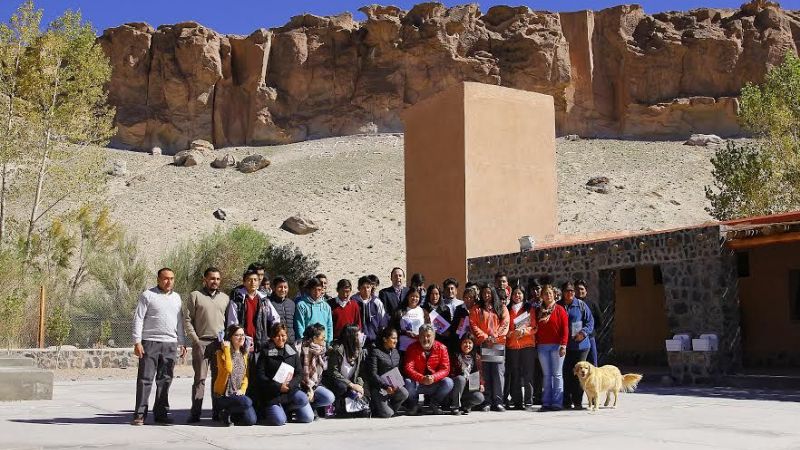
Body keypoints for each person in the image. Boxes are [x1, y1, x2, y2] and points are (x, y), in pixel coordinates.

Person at [131, 268, 187, 425]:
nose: (169, 282)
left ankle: (161, 413)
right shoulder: (148, 295)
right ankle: (140, 414)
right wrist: (137, 341)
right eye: (165, 278)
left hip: (170, 343)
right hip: (150, 342)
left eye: (172, 278)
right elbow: (139, 318)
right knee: (145, 379)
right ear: (158, 279)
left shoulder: (177, 298)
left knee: (165, 379)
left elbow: (179, 322)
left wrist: (181, 342)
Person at [184, 267, 229, 423]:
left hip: (219, 344)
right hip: (201, 342)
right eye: (211, 278)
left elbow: (229, 322)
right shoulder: (195, 296)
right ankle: (195, 413)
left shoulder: (225, 298)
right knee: (200, 379)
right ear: (204, 279)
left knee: (219, 379)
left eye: (217, 279)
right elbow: (188, 320)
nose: (214, 281)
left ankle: (217, 413)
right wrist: (195, 339)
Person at [254, 323, 313, 425]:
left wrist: (290, 385)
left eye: (283, 335)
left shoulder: (292, 349)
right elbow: (260, 376)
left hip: (290, 390)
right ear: (272, 336)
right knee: (280, 421)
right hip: (273, 394)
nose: (280, 338)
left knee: (308, 417)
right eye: (277, 336)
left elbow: (299, 373)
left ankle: (288, 409)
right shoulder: (266, 351)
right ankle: (276, 411)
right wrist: (278, 386)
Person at [469, 285, 509, 412]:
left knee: (497, 373)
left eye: (489, 293)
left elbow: (505, 323)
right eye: (484, 293)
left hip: (497, 343)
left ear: (493, 294)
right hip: (484, 343)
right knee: (485, 373)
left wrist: (495, 336)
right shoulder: (477, 309)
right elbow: (473, 324)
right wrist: (486, 337)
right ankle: (487, 401)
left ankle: (498, 401)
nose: (486, 295)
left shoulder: (501, 308)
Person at [558, 281, 595, 410]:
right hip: (564, 347)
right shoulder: (558, 306)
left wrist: (583, 333)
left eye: (572, 291)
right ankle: (566, 401)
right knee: (567, 374)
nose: (570, 293)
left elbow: (590, 322)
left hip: (581, 346)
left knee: (580, 375)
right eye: (567, 291)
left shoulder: (581, 305)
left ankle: (578, 401)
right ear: (562, 292)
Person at [403, 324, 453, 415]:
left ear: (434, 336)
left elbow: (445, 369)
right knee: (407, 382)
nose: (425, 339)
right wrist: (422, 378)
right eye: (423, 336)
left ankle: (435, 404)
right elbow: (408, 368)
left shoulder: (442, 348)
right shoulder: (412, 348)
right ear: (419, 336)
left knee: (449, 382)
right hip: (418, 382)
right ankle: (414, 405)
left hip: (434, 382)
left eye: (428, 336)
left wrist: (433, 377)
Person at [226, 269, 280, 353]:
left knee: (262, 365)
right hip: (242, 343)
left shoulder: (264, 300)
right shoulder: (237, 300)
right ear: (244, 282)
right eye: (249, 280)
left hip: (261, 343)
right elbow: (232, 324)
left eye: (255, 280)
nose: (253, 282)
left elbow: (275, 318)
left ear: (259, 282)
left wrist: (272, 336)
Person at [213, 324, 257, 426]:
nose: (241, 337)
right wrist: (227, 350)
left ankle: (231, 414)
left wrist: (242, 389)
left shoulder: (244, 354)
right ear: (230, 337)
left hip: (238, 394)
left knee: (251, 420)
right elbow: (228, 369)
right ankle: (226, 412)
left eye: (242, 335)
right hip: (224, 394)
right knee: (247, 402)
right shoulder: (221, 353)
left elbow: (246, 376)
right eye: (237, 335)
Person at [535, 284, 569, 412]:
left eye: (550, 293)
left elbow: (565, 329)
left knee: (557, 375)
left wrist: (563, 345)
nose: (548, 295)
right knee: (547, 375)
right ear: (542, 296)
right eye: (545, 294)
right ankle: (547, 402)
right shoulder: (539, 311)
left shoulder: (560, 310)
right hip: (542, 347)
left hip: (557, 346)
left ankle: (557, 402)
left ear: (554, 294)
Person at [322, 325, 368, 416]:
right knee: (341, 386)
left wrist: (359, 385)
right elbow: (333, 372)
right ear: (352, 337)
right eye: (358, 335)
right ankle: (334, 406)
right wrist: (351, 385)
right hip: (336, 383)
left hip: (351, 384)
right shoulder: (337, 350)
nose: (362, 336)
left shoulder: (360, 351)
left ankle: (347, 407)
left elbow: (361, 373)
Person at [364, 327, 409, 418]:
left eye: (396, 338)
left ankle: (388, 408)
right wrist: (385, 386)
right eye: (393, 338)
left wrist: (397, 384)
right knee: (387, 414)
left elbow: (397, 371)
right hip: (379, 388)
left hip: (393, 387)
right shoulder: (375, 352)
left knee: (404, 393)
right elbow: (373, 374)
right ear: (385, 339)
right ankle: (380, 408)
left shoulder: (396, 353)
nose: (396, 341)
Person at [505, 286, 537, 411]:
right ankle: (518, 401)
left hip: (527, 345)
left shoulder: (529, 308)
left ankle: (528, 401)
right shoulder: (507, 309)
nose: (517, 296)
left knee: (528, 374)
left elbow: (534, 327)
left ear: (523, 295)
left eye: (519, 293)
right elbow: (505, 326)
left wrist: (524, 331)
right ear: (511, 296)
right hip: (512, 346)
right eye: (515, 294)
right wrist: (509, 333)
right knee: (515, 374)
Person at [299, 323, 336, 416]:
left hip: (314, 384)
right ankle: (295, 407)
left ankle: (311, 405)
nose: (325, 339)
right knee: (307, 418)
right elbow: (298, 374)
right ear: (314, 338)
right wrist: (308, 388)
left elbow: (321, 371)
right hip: (300, 386)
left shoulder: (321, 350)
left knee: (329, 398)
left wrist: (312, 388)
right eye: (322, 337)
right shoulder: (300, 349)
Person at [449, 333, 485, 415]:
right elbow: (451, 373)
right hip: (456, 387)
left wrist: (481, 384)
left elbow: (479, 373)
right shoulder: (455, 356)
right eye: (465, 342)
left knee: (479, 397)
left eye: (470, 343)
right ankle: (455, 406)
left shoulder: (476, 357)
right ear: (461, 343)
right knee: (461, 379)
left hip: (469, 387)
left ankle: (466, 406)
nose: (467, 345)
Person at [294, 277, 334, 344]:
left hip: (323, 343)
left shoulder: (326, 306)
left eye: (319, 289)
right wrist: (303, 342)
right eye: (314, 289)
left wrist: (329, 342)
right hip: (308, 343)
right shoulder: (302, 305)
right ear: (309, 290)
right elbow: (299, 325)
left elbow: (329, 325)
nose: (317, 292)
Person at [353, 275, 387, 348]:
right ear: (359, 289)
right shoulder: (353, 302)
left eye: (368, 287)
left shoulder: (377, 302)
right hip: (357, 341)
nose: (366, 290)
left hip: (374, 341)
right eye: (363, 288)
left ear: (371, 288)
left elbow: (383, 322)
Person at [575, 279, 602, 366]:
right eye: (577, 289)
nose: (580, 291)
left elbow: (599, 321)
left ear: (586, 291)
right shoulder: (571, 305)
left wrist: (591, 331)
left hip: (589, 338)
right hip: (575, 339)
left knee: (593, 364)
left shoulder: (592, 304)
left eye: (582, 289)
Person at [528, 278, 544, 405]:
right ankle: (535, 395)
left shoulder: (547, 304)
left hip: (545, 341)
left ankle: (544, 394)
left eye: (538, 288)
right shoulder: (529, 305)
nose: (535, 291)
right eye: (533, 289)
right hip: (532, 341)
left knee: (545, 370)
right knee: (535, 370)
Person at [269, 276, 296, 344]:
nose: (283, 290)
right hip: (273, 343)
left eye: (285, 287)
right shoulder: (268, 303)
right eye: (280, 287)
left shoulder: (291, 303)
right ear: (274, 288)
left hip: (290, 342)